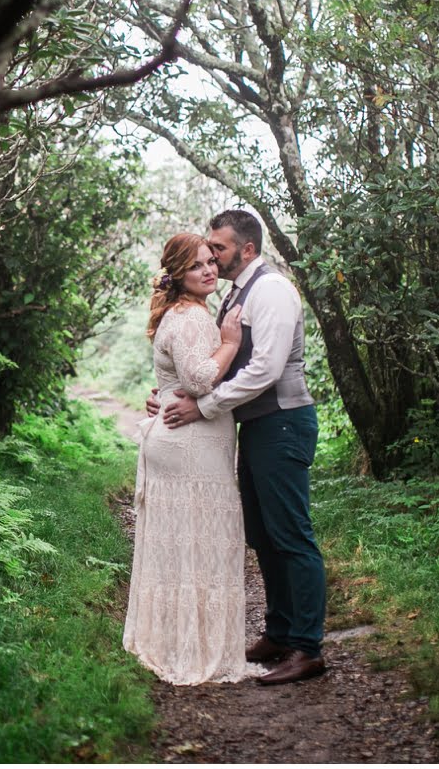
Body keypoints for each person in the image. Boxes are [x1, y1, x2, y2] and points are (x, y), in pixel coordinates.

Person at [147, 209, 327, 686]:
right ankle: (280, 631)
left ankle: (308, 648)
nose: (212, 257)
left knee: (291, 534)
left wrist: (202, 406)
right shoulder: (235, 293)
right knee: (264, 535)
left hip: (283, 422)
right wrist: (170, 395)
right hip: (258, 425)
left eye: (219, 248)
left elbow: (265, 369)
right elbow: (209, 362)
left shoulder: (270, 290)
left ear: (246, 249)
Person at [123, 232, 261, 685]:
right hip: (189, 447)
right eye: (196, 266)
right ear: (177, 277)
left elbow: (176, 376)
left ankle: (182, 641)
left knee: (187, 547)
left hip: (188, 442)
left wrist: (160, 395)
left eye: (210, 261)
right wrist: (230, 342)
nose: (208, 270)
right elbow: (201, 378)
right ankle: (190, 649)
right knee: (199, 548)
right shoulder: (191, 318)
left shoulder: (187, 312)